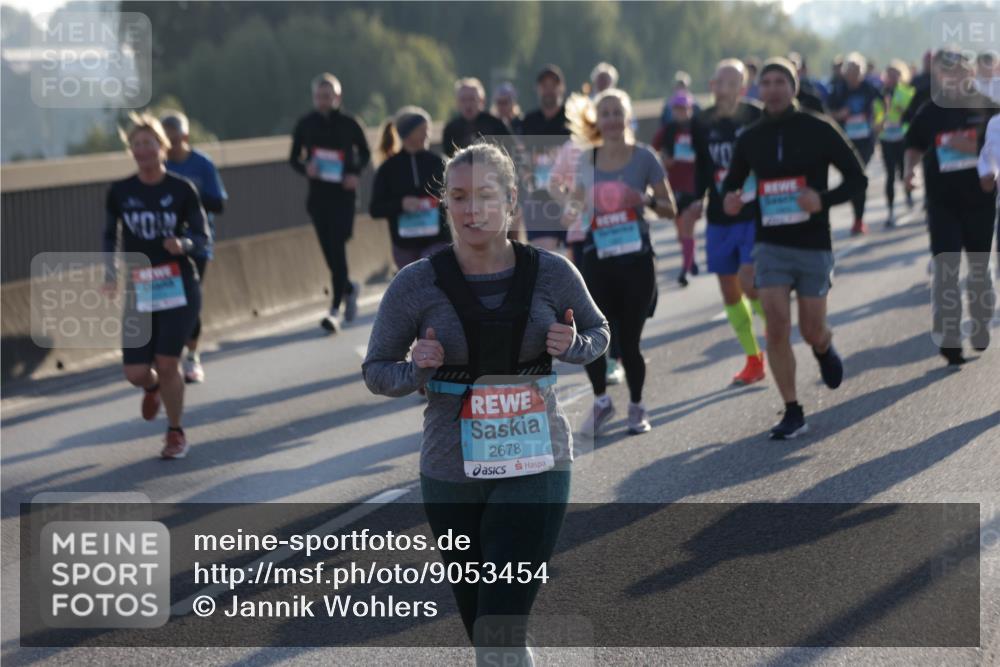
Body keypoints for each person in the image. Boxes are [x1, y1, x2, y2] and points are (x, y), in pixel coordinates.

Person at [363, 142, 609, 664]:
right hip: (451, 467)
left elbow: (597, 330)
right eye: (458, 197)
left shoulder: (551, 272)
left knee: (501, 620)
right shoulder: (415, 284)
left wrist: (575, 346)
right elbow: (376, 371)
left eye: (485, 196)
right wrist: (417, 368)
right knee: (483, 624)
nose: (472, 210)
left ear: (511, 201)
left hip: (536, 459)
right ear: (445, 205)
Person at [721, 58, 867, 439]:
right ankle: (792, 409)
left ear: (793, 87)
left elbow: (858, 177)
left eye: (779, 82)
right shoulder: (749, 138)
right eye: (765, 82)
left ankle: (823, 346)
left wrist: (823, 199)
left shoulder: (818, 129)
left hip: (814, 243)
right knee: (776, 327)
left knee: (811, 327)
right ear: (759, 89)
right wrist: (731, 201)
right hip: (770, 245)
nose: (772, 88)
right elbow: (732, 187)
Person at [566, 88, 677, 436]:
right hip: (598, 260)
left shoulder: (644, 157)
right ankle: (601, 402)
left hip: (637, 263)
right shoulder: (586, 160)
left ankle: (637, 406)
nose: (612, 119)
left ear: (628, 119)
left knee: (629, 343)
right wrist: (574, 207)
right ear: (598, 120)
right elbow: (575, 208)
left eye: (618, 113)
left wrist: (641, 199)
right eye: (606, 113)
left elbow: (670, 209)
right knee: (594, 337)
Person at [102, 113, 209, 459]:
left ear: (163, 147)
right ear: (131, 151)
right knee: (135, 372)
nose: (143, 151)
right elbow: (110, 234)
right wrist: (110, 272)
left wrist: (184, 244)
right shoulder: (120, 191)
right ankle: (151, 388)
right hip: (140, 286)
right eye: (137, 145)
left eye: (149, 144)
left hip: (178, 284)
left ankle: (175, 432)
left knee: (167, 363)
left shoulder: (182, 189)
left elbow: (201, 234)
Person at [904, 49, 998, 366]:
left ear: (970, 73)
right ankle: (949, 337)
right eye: (948, 72)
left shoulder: (988, 106)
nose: (954, 77)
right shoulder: (930, 110)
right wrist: (908, 172)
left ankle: (982, 319)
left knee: (978, 269)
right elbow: (914, 145)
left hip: (980, 199)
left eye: (960, 70)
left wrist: (984, 160)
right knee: (945, 268)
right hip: (942, 201)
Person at [691, 59, 767, 386]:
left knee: (750, 283)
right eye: (717, 80)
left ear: (742, 88)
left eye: (729, 81)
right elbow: (702, 168)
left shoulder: (755, 115)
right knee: (729, 290)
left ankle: (778, 326)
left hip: (752, 213)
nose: (720, 86)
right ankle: (754, 358)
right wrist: (696, 199)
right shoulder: (701, 121)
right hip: (719, 217)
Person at [289, 73, 370, 333]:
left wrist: (354, 172)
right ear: (314, 98)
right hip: (318, 197)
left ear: (337, 97)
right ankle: (348, 287)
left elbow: (365, 152)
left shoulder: (350, 123)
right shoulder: (306, 124)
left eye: (329, 96)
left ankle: (335, 308)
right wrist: (306, 168)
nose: (324, 101)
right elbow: (293, 158)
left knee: (338, 247)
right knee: (329, 253)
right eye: (319, 96)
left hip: (343, 197)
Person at [161, 110, 227, 384]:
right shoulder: (158, 166)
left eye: (175, 140)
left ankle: (192, 355)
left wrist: (188, 196)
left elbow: (219, 203)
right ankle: (165, 355)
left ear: (185, 137)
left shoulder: (202, 164)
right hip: (164, 244)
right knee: (165, 301)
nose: (171, 146)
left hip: (197, 242)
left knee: (190, 298)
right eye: (166, 141)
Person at [370, 106, 452, 271]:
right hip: (404, 244)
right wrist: (401, 204)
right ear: (407, 133)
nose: (427, 134)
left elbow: (456, 195)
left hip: (436, 239)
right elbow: (375, 209)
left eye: (428, 129)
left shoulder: (440, 162)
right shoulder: (388, 168)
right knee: (412, 288)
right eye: (422, 130)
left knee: (433, 278)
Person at [520, 64, 572, 253]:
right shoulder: (528, 121)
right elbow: (521, 159)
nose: (549, 90)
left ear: (562, 87)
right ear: (538, 89)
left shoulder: (574, 118)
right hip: (539, 199)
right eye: (544, 85)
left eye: (553, 85)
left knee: (574, 258)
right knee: (546, 257)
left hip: (570, 196)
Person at [827, 52, 881, 235]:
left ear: (863, 71)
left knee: (859, 175)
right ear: (844, 72)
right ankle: (856, 216)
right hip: (845, 141)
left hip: (866, 140)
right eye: (850, 70)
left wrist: (878, 122)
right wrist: (840, 114)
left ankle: (859, 219)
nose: (853, 74)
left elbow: (883, 106)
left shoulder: (869, 88)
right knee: (851, 178)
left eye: (857, 70)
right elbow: (828, 113)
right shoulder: (839, 89)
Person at [656, 91, 701, 286]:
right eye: (677, 108)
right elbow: (653, 149)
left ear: (690, 109)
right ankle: (690, 256)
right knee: (680, 229)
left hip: (693, 185)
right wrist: (666, 159)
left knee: (688, 226)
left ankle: (684, 269)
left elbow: (708, 155)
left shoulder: (698, 129)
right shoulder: (668, 130)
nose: (680, 112)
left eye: (684, 108)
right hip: (673, 185)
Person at [872, 60, 916, 227]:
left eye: (895, 74)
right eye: (888, 75)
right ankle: (890, 211)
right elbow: (876, 116)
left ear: (901, 75)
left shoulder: (908, 92)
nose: (891, 78)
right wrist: (881, 118)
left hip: (903, 136)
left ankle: (909, 196)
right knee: (889, 175)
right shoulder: (880, 94)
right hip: (886, 138)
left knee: (903, 170)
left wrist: (900, 110)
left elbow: (912, 113)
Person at [442, 78, 511, 158]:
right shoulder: (451, 129)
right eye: (463, 100)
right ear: (457, 102)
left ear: (482, 100)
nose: (468, 104)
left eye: (472, 99)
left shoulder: (496, 125)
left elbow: (509, 152)